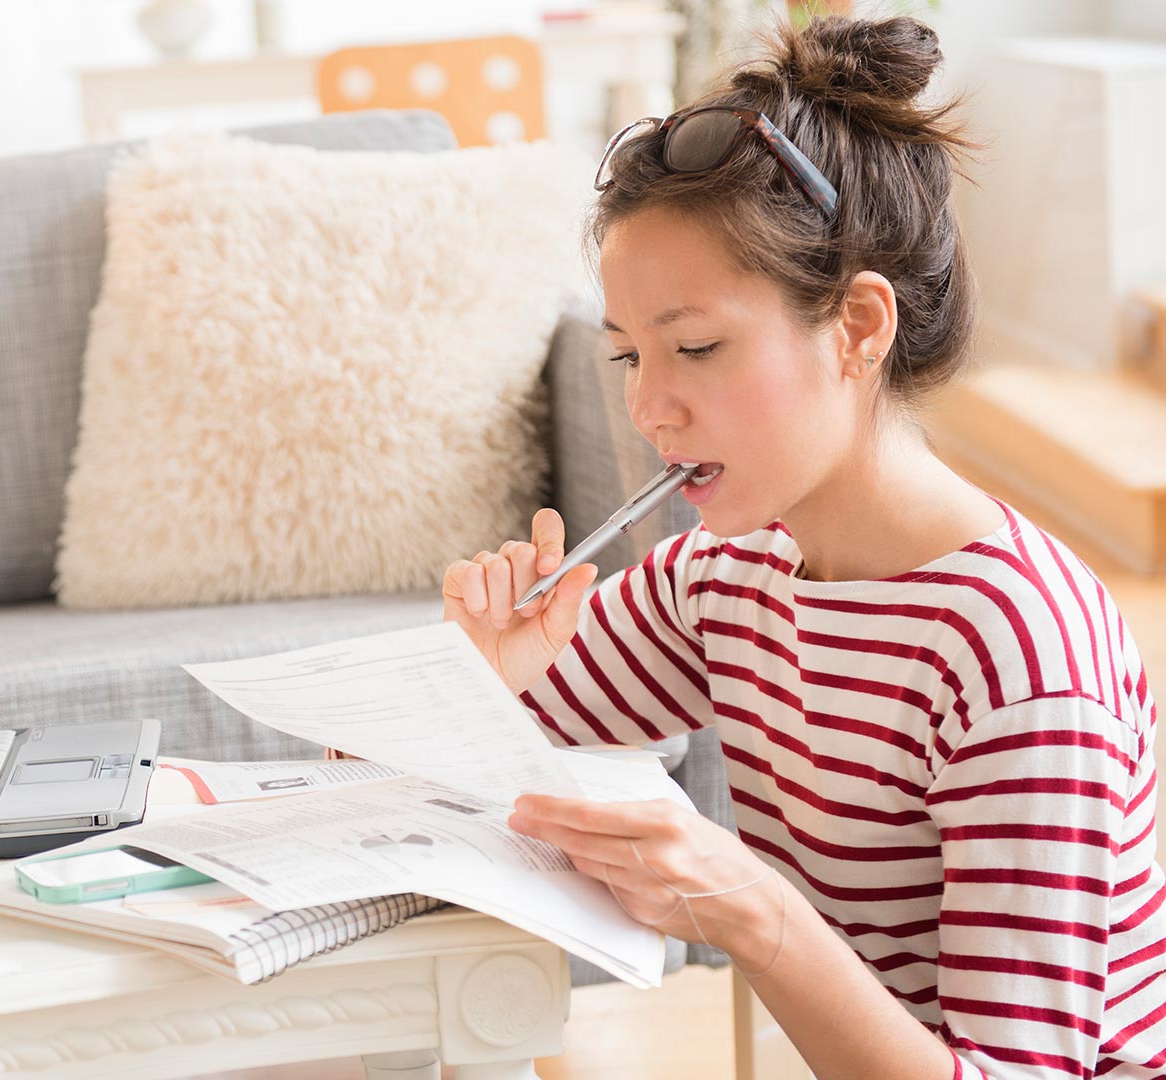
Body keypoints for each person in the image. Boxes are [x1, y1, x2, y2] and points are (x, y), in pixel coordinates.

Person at [441, 15, 1164, 1078]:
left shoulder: (1019, 662)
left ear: (860, 329)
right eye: (631, 354)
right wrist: (485, 685)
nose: (650, 405)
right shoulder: (725, 576)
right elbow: (434, 793)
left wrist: (750, 909)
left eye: (696, 347)